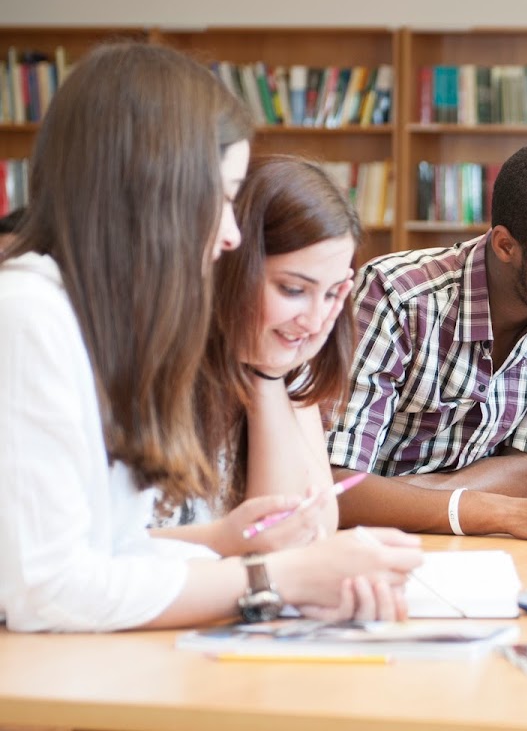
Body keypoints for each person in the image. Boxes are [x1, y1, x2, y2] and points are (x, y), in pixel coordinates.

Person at [0, 42, 420, 633]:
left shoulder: (99, 322)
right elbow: (47, 591)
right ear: (154, 187)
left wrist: (282, 565)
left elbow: (119, 553)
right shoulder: (29, 316)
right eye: (222, 198)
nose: (229, 236)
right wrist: (282, 579)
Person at [328, 139, 527, 543]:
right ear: (505, 246)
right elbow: (338, 488)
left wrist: (400, 500)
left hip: (470, 547)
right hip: (363, 548)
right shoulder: (396, 297)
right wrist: (499, 510)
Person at [151, 155, 360, 555]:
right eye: (294, 290)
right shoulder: (159, 360)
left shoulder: (285, 359)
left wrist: (269, 377)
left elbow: (303, 530)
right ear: (232, 266)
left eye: (333, 293)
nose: (316, 321)